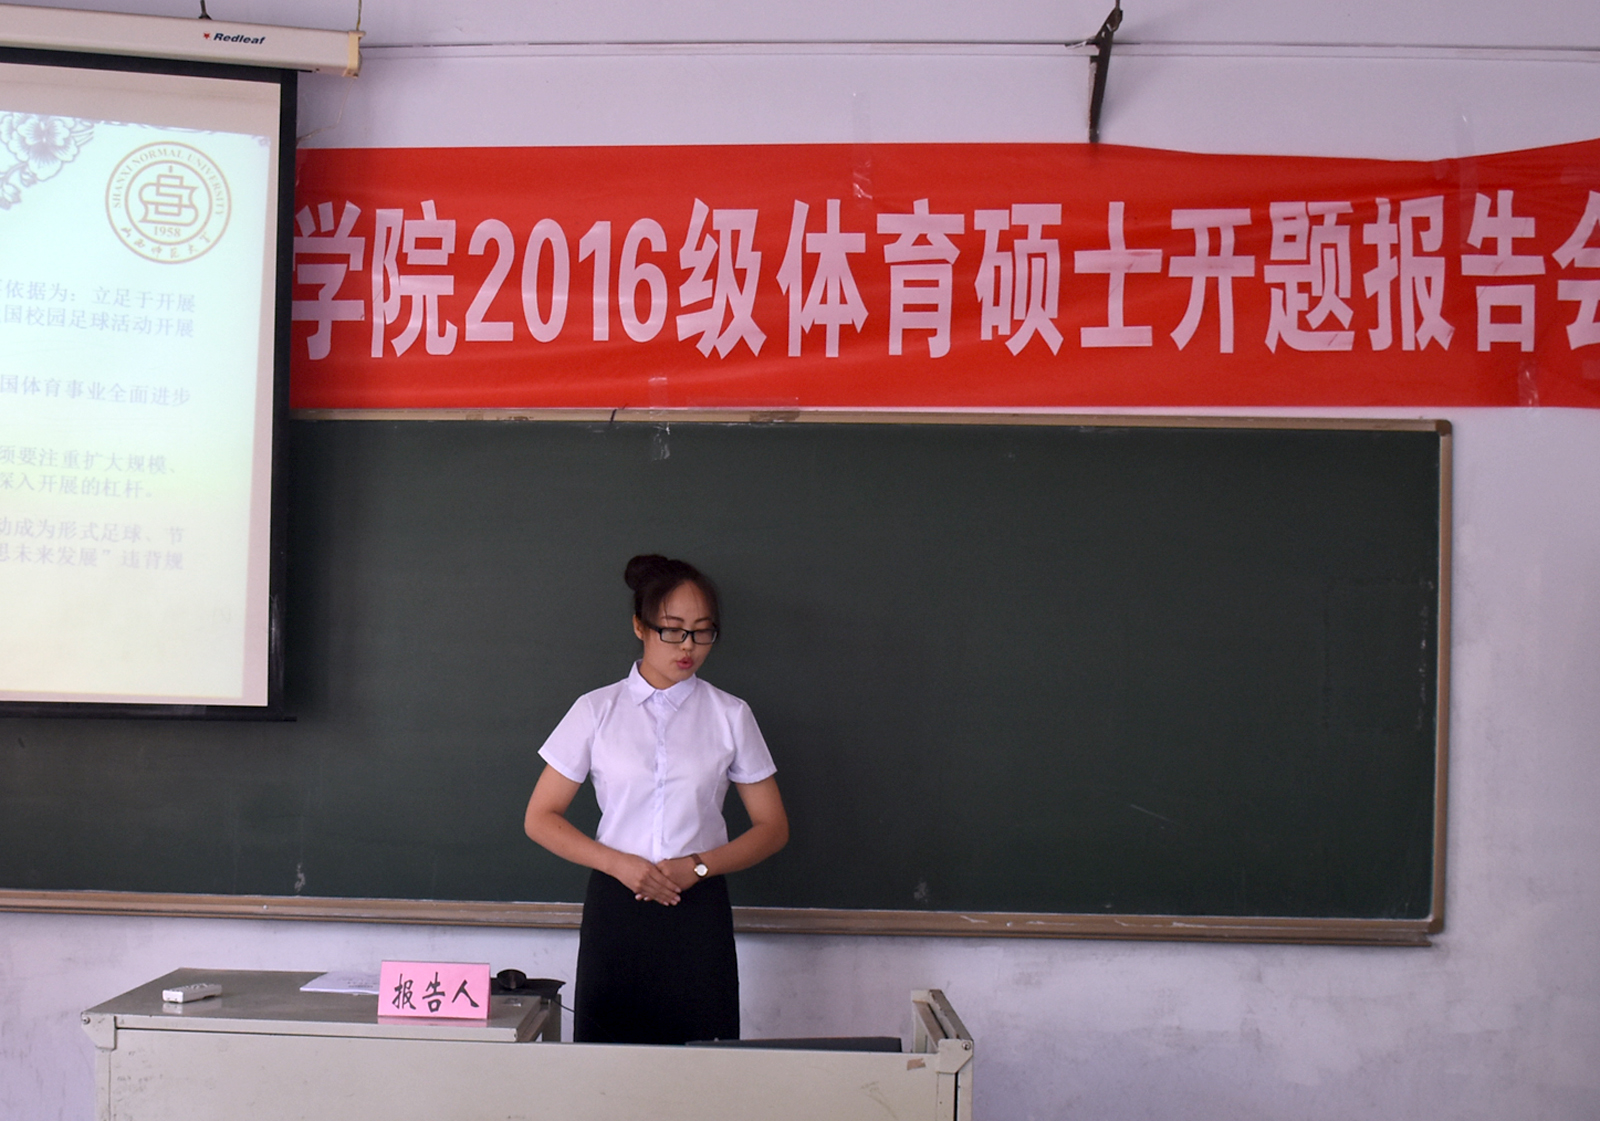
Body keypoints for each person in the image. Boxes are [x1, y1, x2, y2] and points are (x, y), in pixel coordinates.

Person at [523, 554, 789, 1044]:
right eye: (673, 630)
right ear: (639, 627)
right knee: (608, 1059)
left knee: (701, 1061)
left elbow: (772, 827)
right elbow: (540, 817)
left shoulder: (730, 715)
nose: (688, 646)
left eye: (702, 632)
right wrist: (619, 864)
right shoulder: (596, 710)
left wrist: (699, 866)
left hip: (697, 908)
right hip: (617, 904)